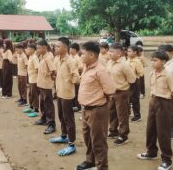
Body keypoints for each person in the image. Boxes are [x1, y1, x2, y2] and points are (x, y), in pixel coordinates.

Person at [76, 41, 116, 170]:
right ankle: (90, 161)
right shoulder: (87, 67)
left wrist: (100, 102)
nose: (80, 56)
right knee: (88, 138)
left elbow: (110, 90)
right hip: (86, 109)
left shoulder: (101, 70)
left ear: (91, 55)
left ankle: (102, 167)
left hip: (97, 110)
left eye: (82, 54)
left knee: (99, 141)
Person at [137, 51, 173, 170]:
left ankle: (167, 159)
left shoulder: (168, 75)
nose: (153, 62)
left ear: (164, 62)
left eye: (156, 60)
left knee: (163, 132)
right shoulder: (152, 73)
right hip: (153, 101)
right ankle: (151, 152)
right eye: (152, 60)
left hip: (164, 102)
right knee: (150, 129)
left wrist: (166, 104)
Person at [49, 37, 80, 156]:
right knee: (61, 116)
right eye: (55, 46)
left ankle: (71, 144)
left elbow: (76, 78)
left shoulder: (70, 61)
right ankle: (64, 136)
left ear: (66, 48)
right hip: (59, 92)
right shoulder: (58, 59)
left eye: (58, 46)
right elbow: (58, 73)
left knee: (68, 119)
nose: (55, 48)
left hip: (67, 94)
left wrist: (67, 82)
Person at [107, 43, 136, 145]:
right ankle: (113, 131)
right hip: (111, 92)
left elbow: (132, 80)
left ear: (119, 53)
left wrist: (125, 91)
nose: (109, 53)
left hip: (121, 92)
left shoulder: (124, 65)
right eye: (109, 51)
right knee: (112, 112)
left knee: (122, 115)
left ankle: (123, 135)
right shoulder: (109, 62)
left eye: (111, 51)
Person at [35, 39, 56, 135]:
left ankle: (51, 124)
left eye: (39, 48)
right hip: (41, 83)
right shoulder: (42, 56)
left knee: (48, 104)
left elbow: (53, 70)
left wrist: (47, 75)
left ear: (45, 47)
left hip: (46, 84)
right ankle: (43, 119)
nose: (37, 49)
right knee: (42, 103)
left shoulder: (48, 57)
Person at [126, 45, 144, 122]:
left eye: (130, 51)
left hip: (135, 81)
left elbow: (141, 73)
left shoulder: (137, 61)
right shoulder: (127, 60)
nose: (128, 53)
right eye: (127, 51)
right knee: (128, 98)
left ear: (135, 52)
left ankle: (137, 115)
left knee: (135, 99)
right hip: (127, 81)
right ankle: (128, 112)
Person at [23, 43, 40, 117]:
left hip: (34, 79)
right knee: (30, 94)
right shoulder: (30, 57)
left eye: (28, 49)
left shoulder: (34, 58)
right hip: (31, 78)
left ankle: (36, 110)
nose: (27, 50)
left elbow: (37, 68)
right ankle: (31, 107)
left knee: (35, 94)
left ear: (33, 50)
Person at [70, 43, 83, 112]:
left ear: (76, 50)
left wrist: (75, 70)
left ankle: (78, 106)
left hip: (76, 77)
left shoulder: (78, 58)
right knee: (72, 92)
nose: (70, 50)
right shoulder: (70, 57)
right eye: (70, 48)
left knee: (76, 92)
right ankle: (73, 105)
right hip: (71, 78)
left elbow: (81, 67)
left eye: (72, 49)